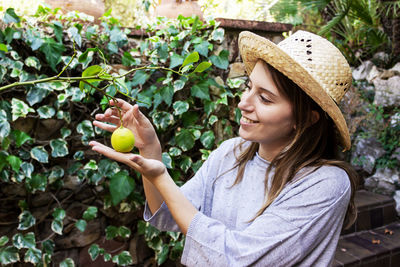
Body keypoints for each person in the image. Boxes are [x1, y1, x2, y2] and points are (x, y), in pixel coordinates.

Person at [89, 30, 359, 266]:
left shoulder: (325, 183)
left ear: (305, 119)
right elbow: (170, 215)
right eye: (249, 87)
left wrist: (160, 176)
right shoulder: (232, 152)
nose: (244, 103)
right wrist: (150, 150)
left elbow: (235, 259)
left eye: (265, 98)